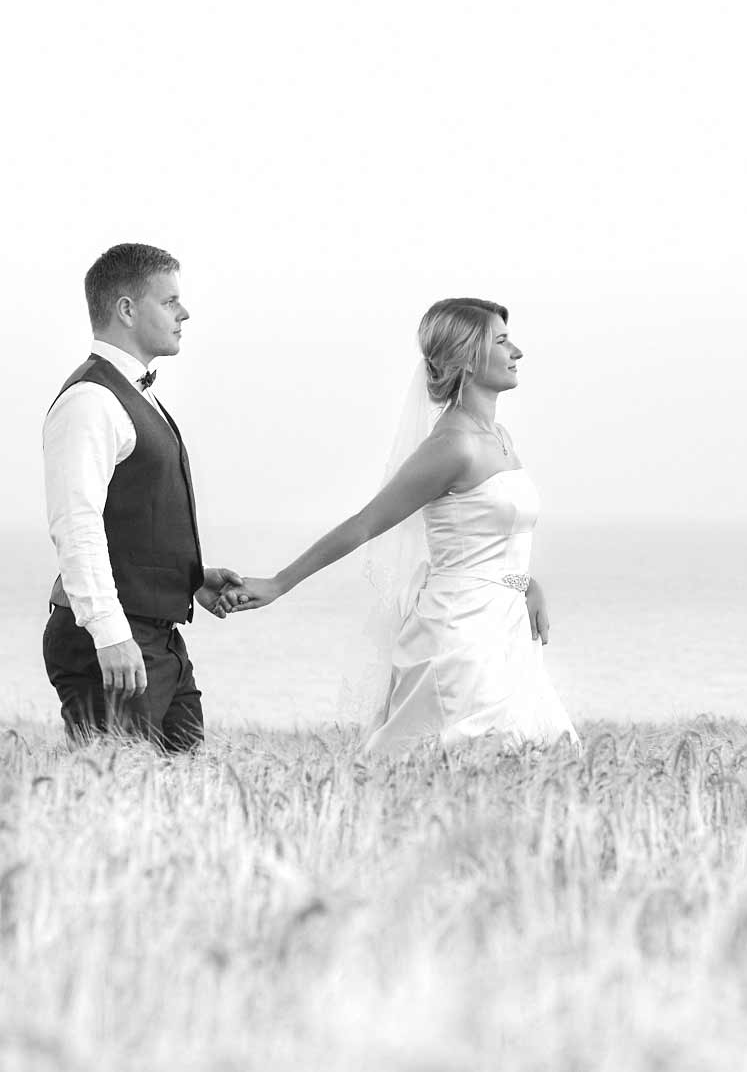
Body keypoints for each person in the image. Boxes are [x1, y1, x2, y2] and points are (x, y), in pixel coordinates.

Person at [221, 297, 576, 752]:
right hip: (462, 637)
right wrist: (278, 583)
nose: (518, 352)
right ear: (467, 356)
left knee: (536, 757)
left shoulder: (500, 437)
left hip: (506, 629)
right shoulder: (454, 445)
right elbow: (367, 523)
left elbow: (492, 540)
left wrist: (524, 583)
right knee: (465, 760)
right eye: (503, 341)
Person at [41, 242, 245, 752]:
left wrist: (189, 580)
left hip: (158, 638)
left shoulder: (136, 393)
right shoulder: (91, 399)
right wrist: (110, 634)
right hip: (115, 640)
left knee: (184, 790)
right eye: (170, 301)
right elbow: (77, 523)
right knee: (117, 803)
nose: (185, 313)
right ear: (127, 309)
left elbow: (135, 514)